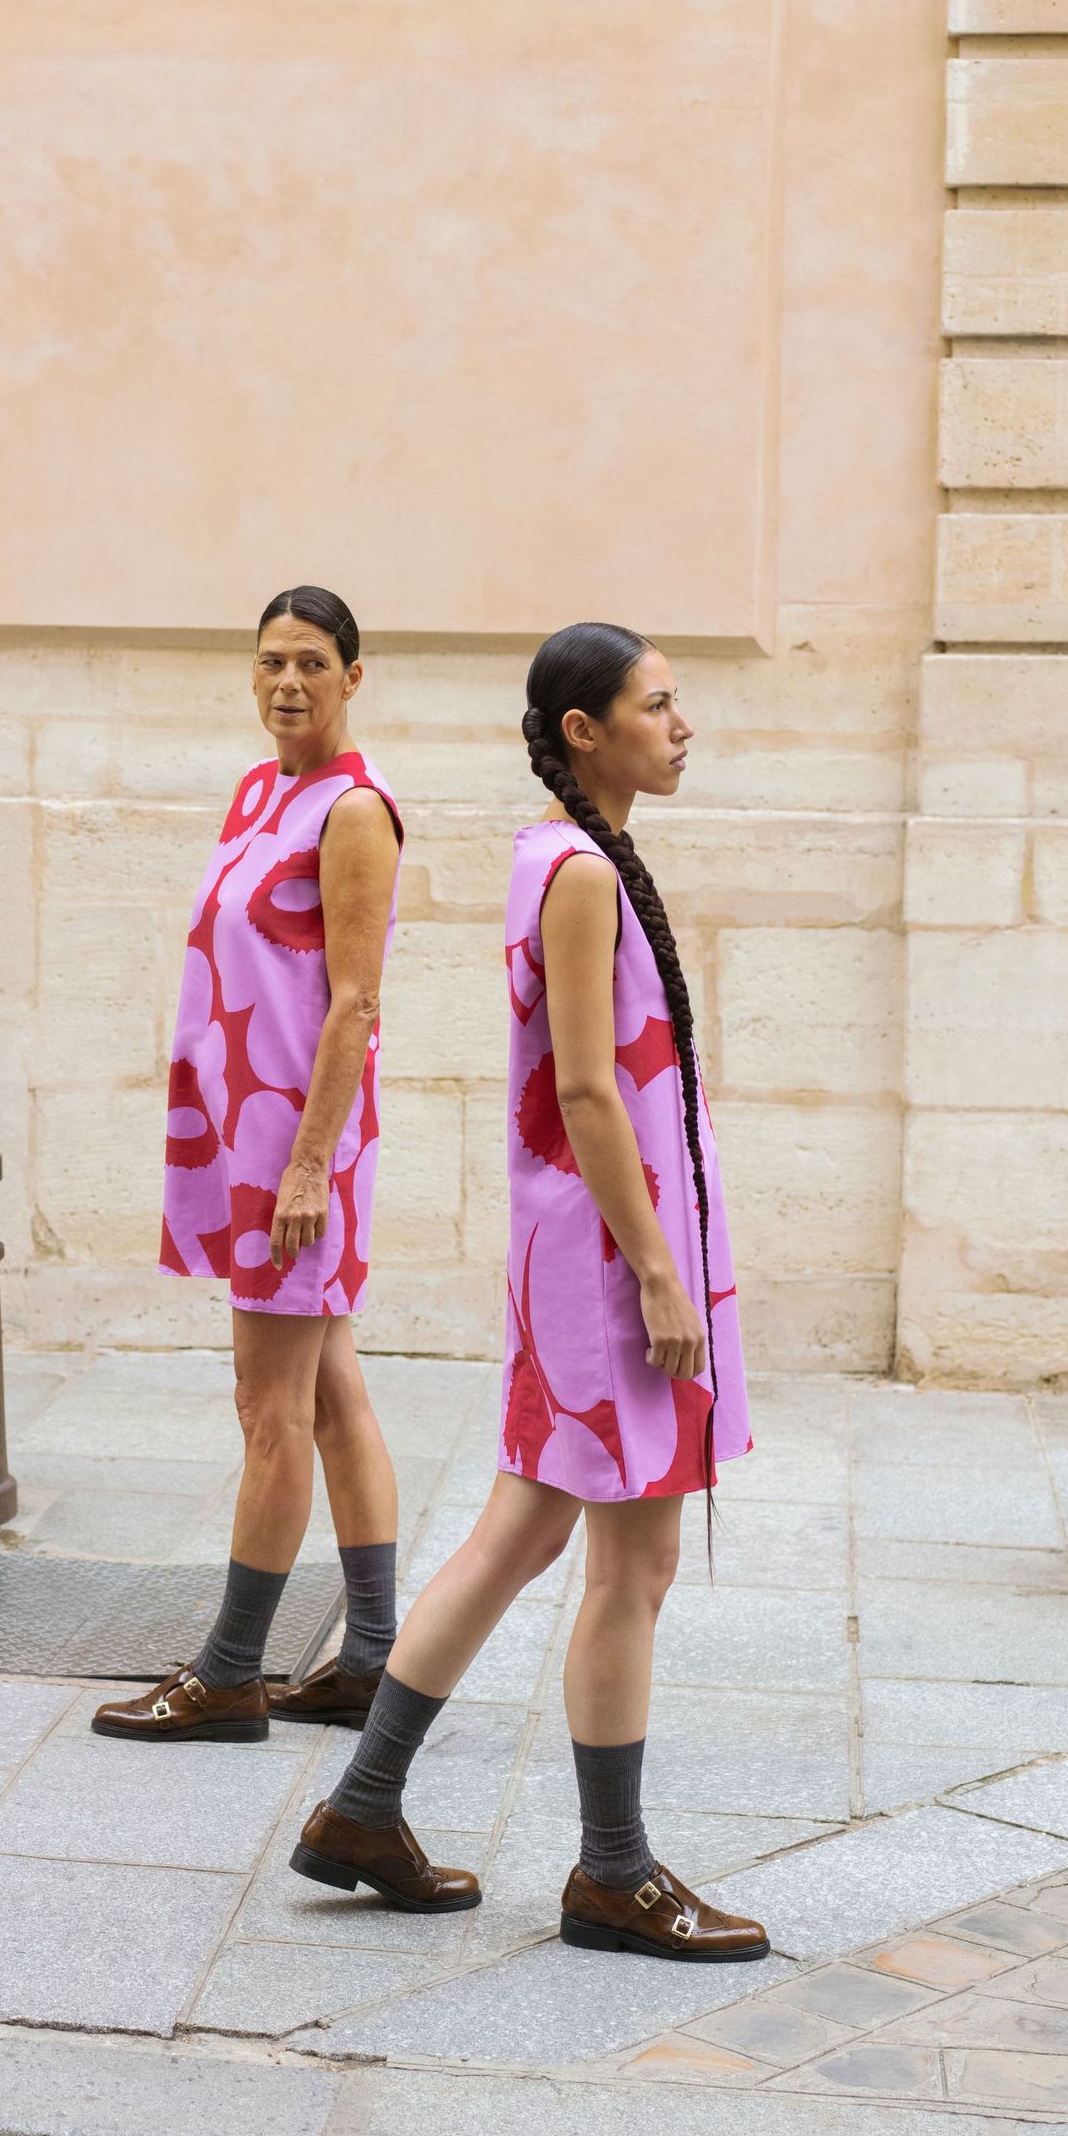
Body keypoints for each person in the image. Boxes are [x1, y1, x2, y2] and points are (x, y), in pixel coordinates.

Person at [288, 621, 769, 1961]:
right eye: (657, 705)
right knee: (627, 1558)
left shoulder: (574, 857)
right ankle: (608, 1874)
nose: (682, 725)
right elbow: (583, 1087)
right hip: (611, 1263)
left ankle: (365, 1806)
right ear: (583, 731)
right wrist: (663, 1273)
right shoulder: (578, 874)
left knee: (533, 1534)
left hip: (596, 1251)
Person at [93, 587, 407, 1744]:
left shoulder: (355, 813)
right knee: (329, 1391)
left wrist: (310, 1165)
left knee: (264, 1404)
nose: (288, 682)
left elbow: (354, 1000)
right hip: (247, 1135)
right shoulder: (257, 788)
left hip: (295, 1149)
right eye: (271, 661)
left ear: (352, 677)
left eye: (312, 663)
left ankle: (229, 1673)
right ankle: (372, 1659)